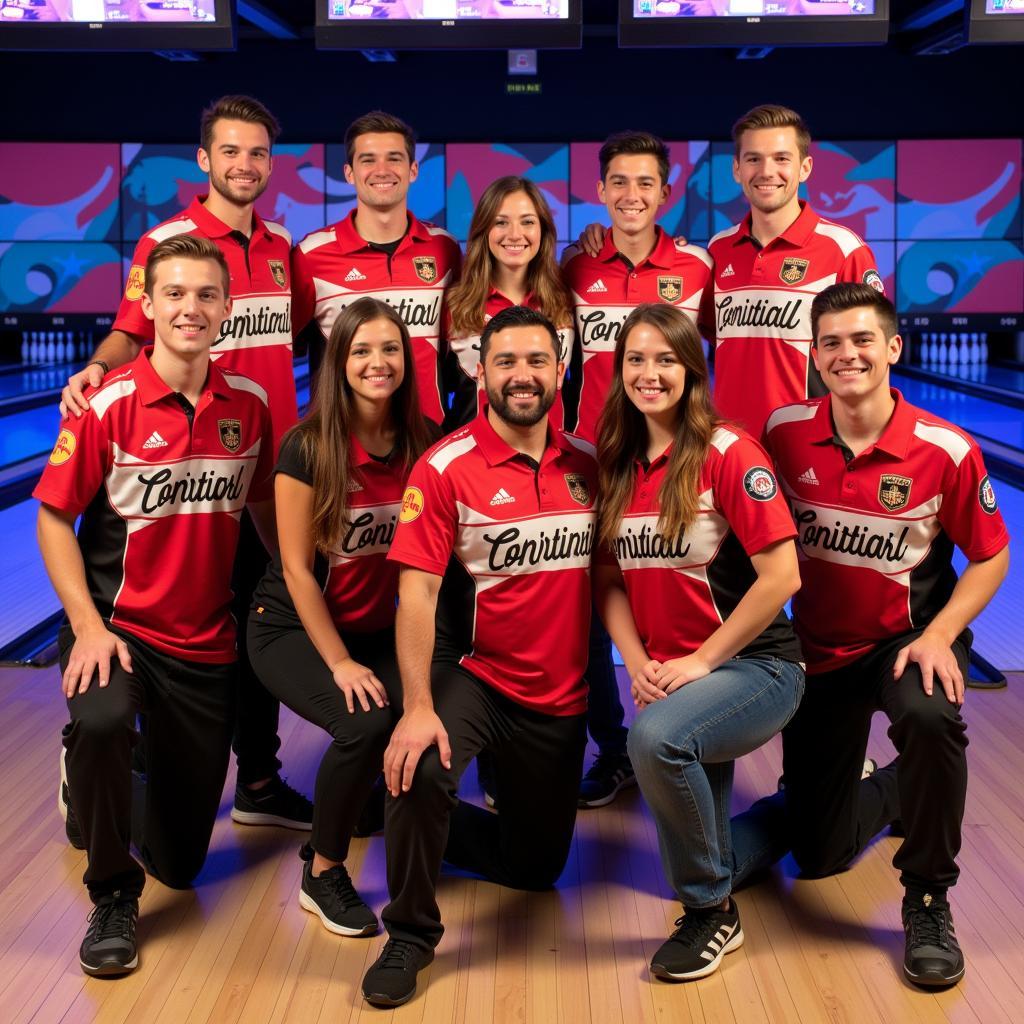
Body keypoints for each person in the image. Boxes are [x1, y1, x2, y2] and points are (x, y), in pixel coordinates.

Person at [58, 94, 312, 833]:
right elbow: (129, 329)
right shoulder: (168, 240)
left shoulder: (279, 247)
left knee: (256, 624)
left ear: (270, 162)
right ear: (205, 160)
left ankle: (259, 779)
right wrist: (93, 370)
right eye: (230, 151)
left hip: (264, 469)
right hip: (188, 466)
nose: (245, 164)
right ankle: (106, 757)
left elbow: (294, 332)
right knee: (184, 627)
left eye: (258, 152)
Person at [35, 235, 277, 977]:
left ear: (228, 309)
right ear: (148, 304)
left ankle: (97, 784)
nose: (190, 309)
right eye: (174, 294)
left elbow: (266, 511)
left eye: (206, 295)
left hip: (207, 646)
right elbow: (51, 517)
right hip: (122, 634)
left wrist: (300, 594)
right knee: (104, 717)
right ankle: (111, 891)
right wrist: (83, 628)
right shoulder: (106, 406)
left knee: (182, 862)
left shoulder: (252, 406)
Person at [757, 283, 1009, 987]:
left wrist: (944, 635)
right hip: (819, 654)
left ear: (893, 348)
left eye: (863, 339)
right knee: (817, 854)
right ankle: (899, 791)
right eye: (831, 342)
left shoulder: (945, 449)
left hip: (909, 642)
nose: (847, 354)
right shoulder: (782, 431)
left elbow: (991, 553)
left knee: (931, 717)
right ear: (813, 354)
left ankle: (928, 895)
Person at [360, 305, 597, 1008]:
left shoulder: (589, 463)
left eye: (535, 361)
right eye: (505, 362)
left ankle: (396, 818)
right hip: (477, 676)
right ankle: (408, 931)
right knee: (422, 762)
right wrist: (418, 707)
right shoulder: (444, 467)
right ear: (478, 370)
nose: (521, 376)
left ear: (559, 370)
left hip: (562, 697)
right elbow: (417, 595)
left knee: (536, 870)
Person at [594, 303, 804, 981]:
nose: (649, 373)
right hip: (676, 674)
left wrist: (699, 662)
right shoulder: (618, 463)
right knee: (698, 843)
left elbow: (782, 577)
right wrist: (637, 657)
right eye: (635, 359)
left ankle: (712, 914)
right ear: (618, 367)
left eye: (666, 359)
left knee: (655, 741)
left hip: (757, 667)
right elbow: (608, 581)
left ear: (692, 368)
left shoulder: (727, 452)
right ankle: (793, 814)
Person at [247, 297, 433, 937]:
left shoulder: (421, 442)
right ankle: (322, 871)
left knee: (417, 708)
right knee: (365, 720)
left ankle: (358, 814)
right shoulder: (307, 446)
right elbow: (297, 568)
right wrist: (340, 662)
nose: (377, 362)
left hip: (373, 626)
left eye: (389, 349)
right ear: (337, 361)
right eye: (361, 350)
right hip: (291, 626)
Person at [564, 131, 714, 807]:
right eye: (618, 183)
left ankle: (696, 729)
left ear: (665, 190)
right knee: (595, 609)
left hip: (672, 463)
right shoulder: (574, 269)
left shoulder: (699, 267)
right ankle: (613, 745)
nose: (631, 196)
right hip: (594, 463)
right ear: (601, 192)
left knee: (690, 596)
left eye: (645, 183)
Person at [703, 103, 884, 437]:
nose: (767, 171)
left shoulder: (845, 250)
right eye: (754, 158)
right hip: (729, 445)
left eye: (781, 158)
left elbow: (874, 355)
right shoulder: (718, 249)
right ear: (737, 169)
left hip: (811, 445)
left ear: (805, 168)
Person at [291, 110, 462, 427]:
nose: (382, 170)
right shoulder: (310, 256)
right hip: (343, 446)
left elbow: (460, 353)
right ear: (349, 172)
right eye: (368, 160)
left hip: (427, 438)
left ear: (412, 170)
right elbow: (280, 350)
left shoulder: (445, 249)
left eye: (394, 159)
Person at [443, 175, 573, 432]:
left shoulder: (565, 297)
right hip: (475, 461)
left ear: (543, 230)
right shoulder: (455, 303)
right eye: (501, 222)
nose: (515, 234)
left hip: (552, 460)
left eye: (527, 222)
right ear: (484, 230)